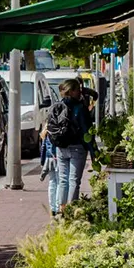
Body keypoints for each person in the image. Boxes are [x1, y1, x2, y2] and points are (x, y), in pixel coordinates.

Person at [55, 78, 93, 208]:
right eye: (78, 90)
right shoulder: (80, 108)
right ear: (71, 91)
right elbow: (86, 132)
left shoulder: (58, 105)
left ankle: (62, 209)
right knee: (74, 181)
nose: (80, 93)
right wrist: (93, 153)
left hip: (60, 147)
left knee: (63, 179)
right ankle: (72, 210)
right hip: (77, 148)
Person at [39, 123, 58, 216]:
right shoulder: (57, 129)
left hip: (49, 159)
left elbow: (43, 148)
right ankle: (58, 206)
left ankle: (52, 207)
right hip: (58, 159)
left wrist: (42, 162)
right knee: (59, 182)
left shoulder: (46, 133)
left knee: (52, 183)